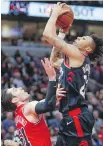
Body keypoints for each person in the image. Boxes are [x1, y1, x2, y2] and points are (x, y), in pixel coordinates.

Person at [43, 2, 103, 146]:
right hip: (71, 116)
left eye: (83, 39)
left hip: (77, 117)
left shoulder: (78, 55)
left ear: (87, 49)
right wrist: (62, 33)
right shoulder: (73, 59)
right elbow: (54, 60)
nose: (79, 38)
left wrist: (55, 14)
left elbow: (47, 35)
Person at [2, 58, 66, 146]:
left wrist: (54, 96)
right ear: (15, 100)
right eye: (15, 90)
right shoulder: (28, 107)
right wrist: (51, 78)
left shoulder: (17, 115)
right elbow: (48, 105)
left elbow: (47, 102)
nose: (20, 88)